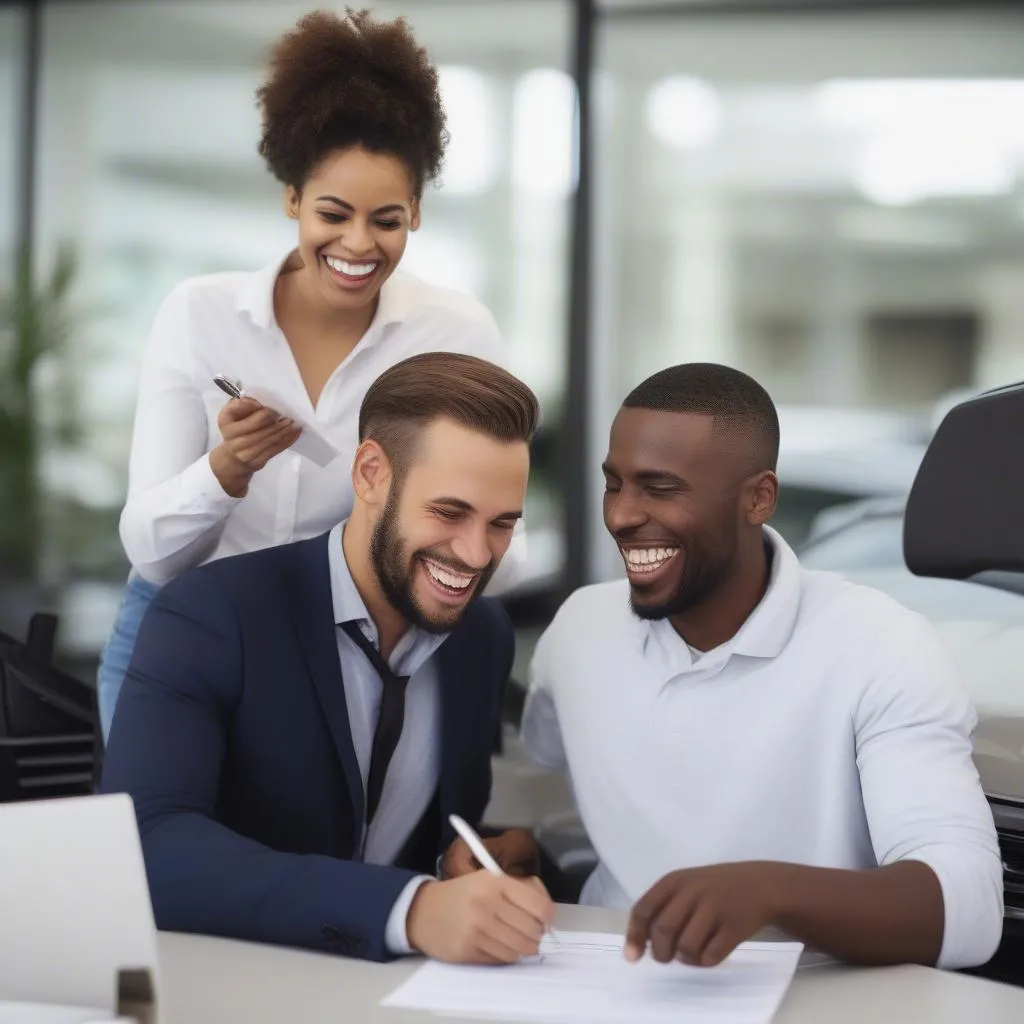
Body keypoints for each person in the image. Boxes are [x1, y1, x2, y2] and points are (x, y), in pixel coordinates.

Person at [97, 9, 521, 739]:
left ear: (415, 213)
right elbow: (152, 553)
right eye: (334, 213)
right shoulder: (199, 314)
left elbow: (482, 534)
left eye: (386, 219)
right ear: (292, 199)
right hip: (181, 634)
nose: (359, 243)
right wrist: (226, 471)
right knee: (158, 848)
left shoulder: (456, 333)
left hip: (341, 657)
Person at [511, 362, 1003, 971]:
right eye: (616, 484)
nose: (620, 516)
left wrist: (771, 891)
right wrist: (508, 841)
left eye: (660, 488)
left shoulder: (881, 646)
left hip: (812, 998)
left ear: (759, 498)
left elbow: (971, 910)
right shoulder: (581, 629)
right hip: (598, 978)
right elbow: (536, 789)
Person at [101, 353, 554, 964]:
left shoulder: (482, 637)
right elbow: (147, 845)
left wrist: (470, 857)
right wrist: (410, 908)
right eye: (449, 512)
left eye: (502, 523)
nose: (476, 554)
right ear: (370, 474)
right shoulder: (211, 614)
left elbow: (427, 836)